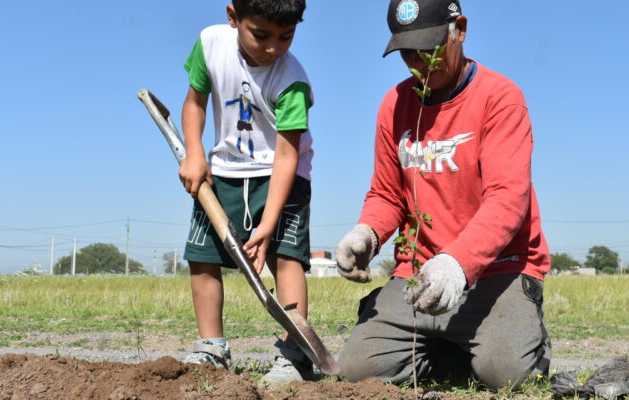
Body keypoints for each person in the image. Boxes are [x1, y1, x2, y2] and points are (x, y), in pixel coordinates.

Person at [335, 0, 552, 390]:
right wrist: (367, 232)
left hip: (497, 270)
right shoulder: (395, 105)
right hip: (418, 273)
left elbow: (507, 198)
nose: (421, 61)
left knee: (504, 373)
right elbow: (388, 193)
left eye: (429, 47)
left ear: (460, 30)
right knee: (356, 371)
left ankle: (524, 340)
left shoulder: (500, 98)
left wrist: (457, 264)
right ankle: (447, 349)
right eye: (408, 52)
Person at [179, 0, 314, 387]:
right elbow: (194, 102)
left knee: (285, 258)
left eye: (286, 36)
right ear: (233, 17)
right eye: (261, 35)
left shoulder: (292, 81)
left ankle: (295, 353)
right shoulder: (210, 44)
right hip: (222, 171)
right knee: (202, 257)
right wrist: (194, 152)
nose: (273, 48)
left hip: (281, 175)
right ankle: (211, 347)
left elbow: (287, 155)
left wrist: (268, 225)